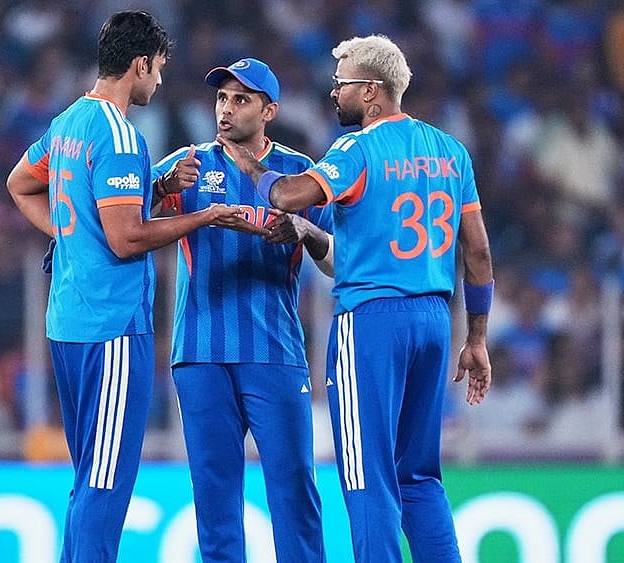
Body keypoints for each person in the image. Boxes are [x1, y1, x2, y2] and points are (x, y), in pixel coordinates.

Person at [217, 35, 494, 563]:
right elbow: (477, 253)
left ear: (371, 92)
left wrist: (252, 165)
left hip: (371, 321)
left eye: (341, 85)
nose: (333, 93)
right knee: (419, 474)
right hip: (436, 320)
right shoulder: (450, 151)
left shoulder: (357, 149)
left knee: (369, 475)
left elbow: (288, 194)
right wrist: (476, 338)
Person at [5, 11, 256, 562]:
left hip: (67, 324)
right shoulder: (121, 134)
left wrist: (74, 230)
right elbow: (126, 239)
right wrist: (205, 216)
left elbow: (21, 184)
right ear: (139, 65)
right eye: (159, 69)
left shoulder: (70, 121)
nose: (160, 81)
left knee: (88, 478)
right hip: (112, 329)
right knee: (106, 484)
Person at [150, 57, 332, 563]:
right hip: (201, 353)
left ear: (269, 109)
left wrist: (309, 231)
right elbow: (127, 228)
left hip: (274, 351)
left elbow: (340, 261)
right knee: (215, 503)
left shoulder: (301, 175)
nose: (226, 109)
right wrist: (162, 188)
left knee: (295, 493)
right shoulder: (186, 165)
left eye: (241, 99)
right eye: (221, 98)